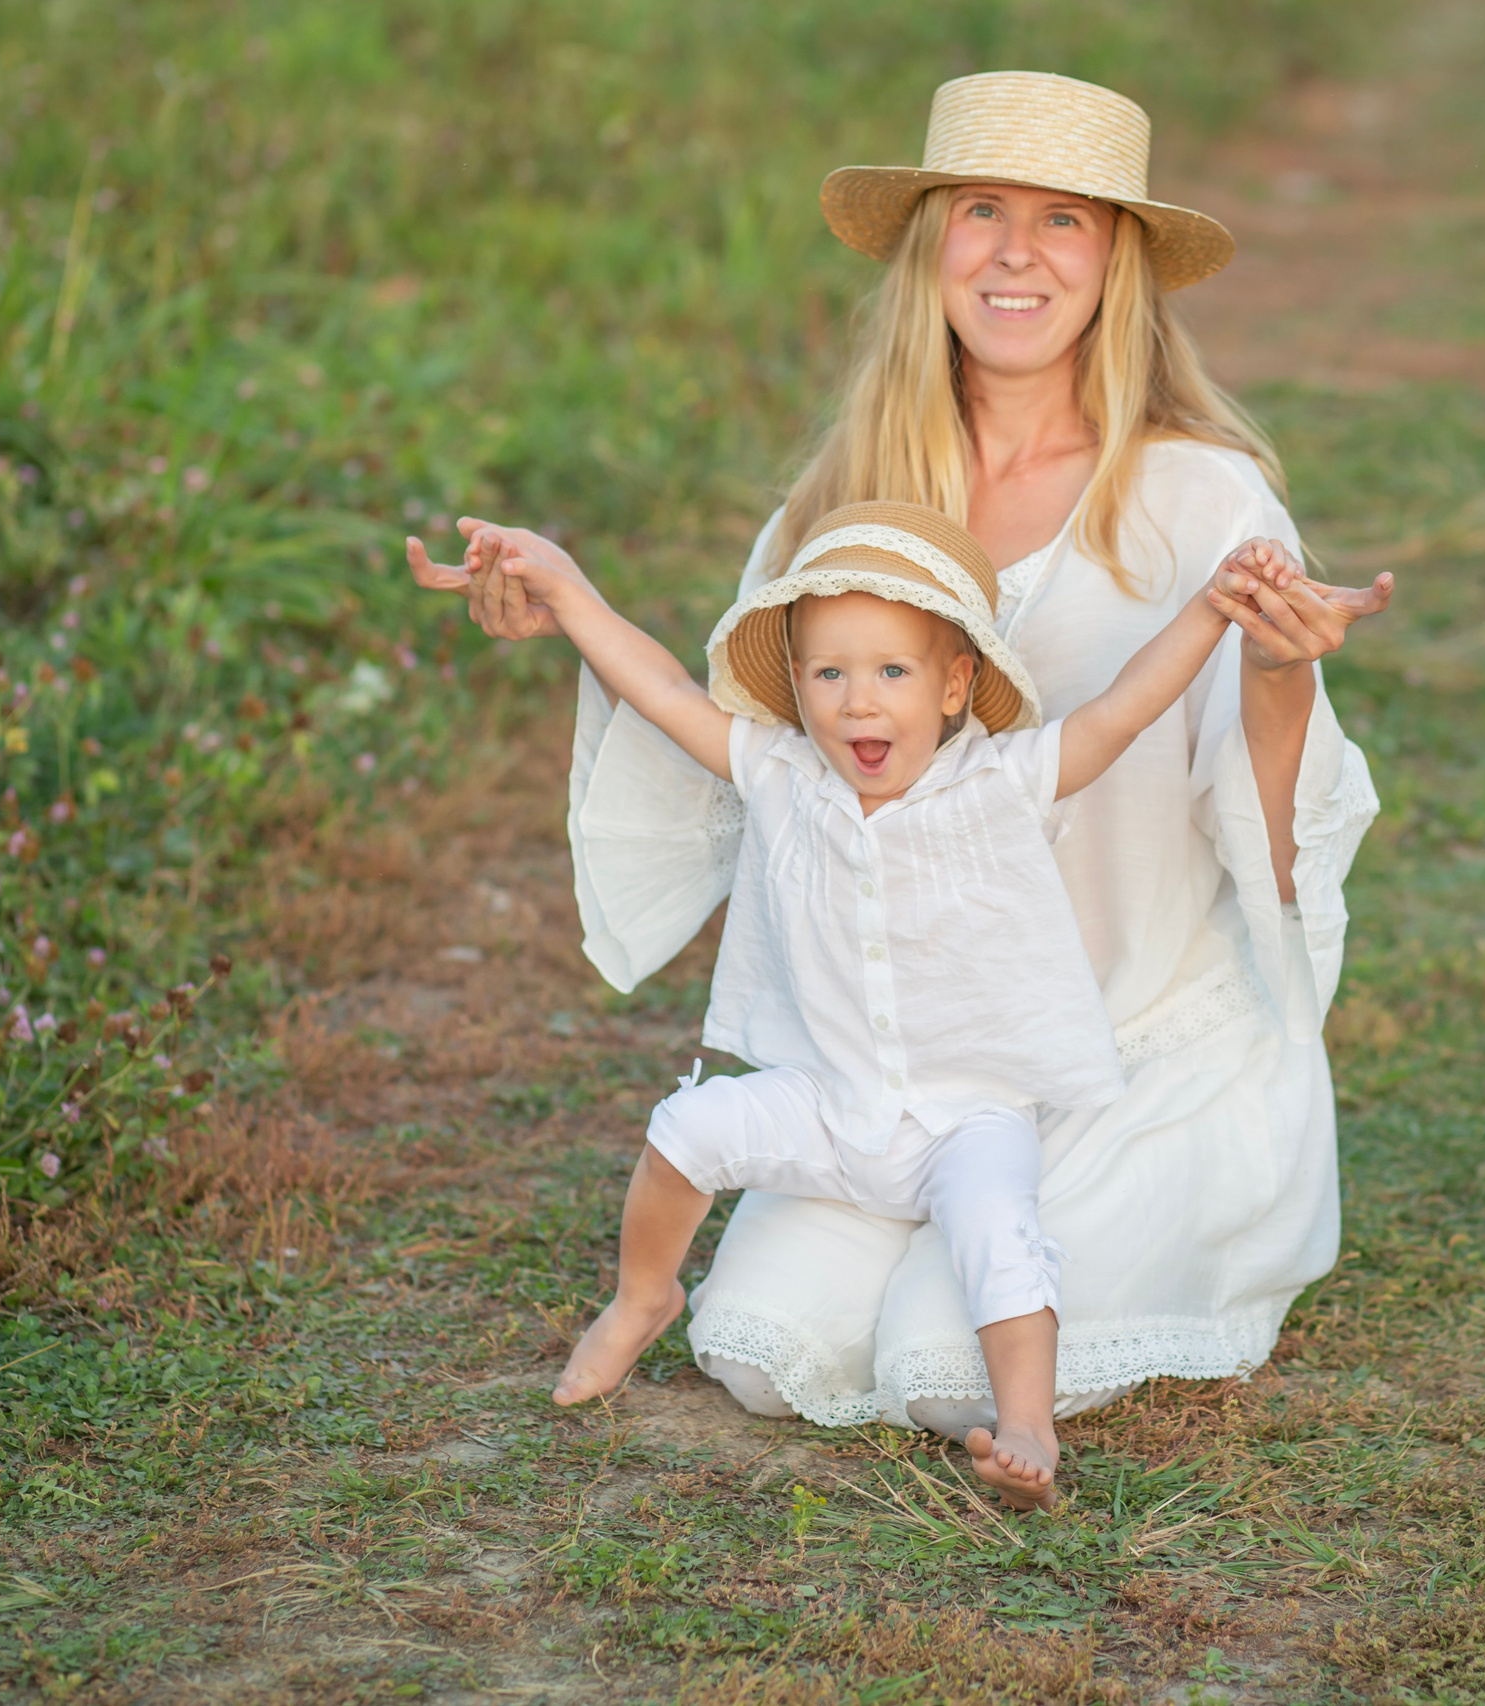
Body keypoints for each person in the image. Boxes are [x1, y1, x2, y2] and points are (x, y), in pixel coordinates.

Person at [411, 70, 1392, 1439]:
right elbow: (744, 744)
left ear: (1117, 262)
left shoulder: (1196, 497)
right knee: (754, 1343)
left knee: (947, 1364)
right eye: (980, 209)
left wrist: (1279, 675)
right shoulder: (849, 502)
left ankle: (1127, 1229)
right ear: (931, 243)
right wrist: (557, 600)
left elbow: (1270, 841)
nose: (1014, 253)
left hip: (1122, 1047)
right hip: (892, 1071)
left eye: (1064, 219)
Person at [454, 498, 1308, 1504]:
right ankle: (643, 1295)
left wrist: (1213, 609)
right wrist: (567, 589)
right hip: (834, 1100)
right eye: (830, 673)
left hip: (967, 1116)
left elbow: (1123, 706)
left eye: (892, 672)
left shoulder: (1004, 779)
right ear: (800, 687)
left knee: (1000, 1232)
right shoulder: (780, 773)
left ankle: (1026, 1421)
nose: (859, 703)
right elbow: (664, 688)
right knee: (686, 1126)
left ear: (953, 686)